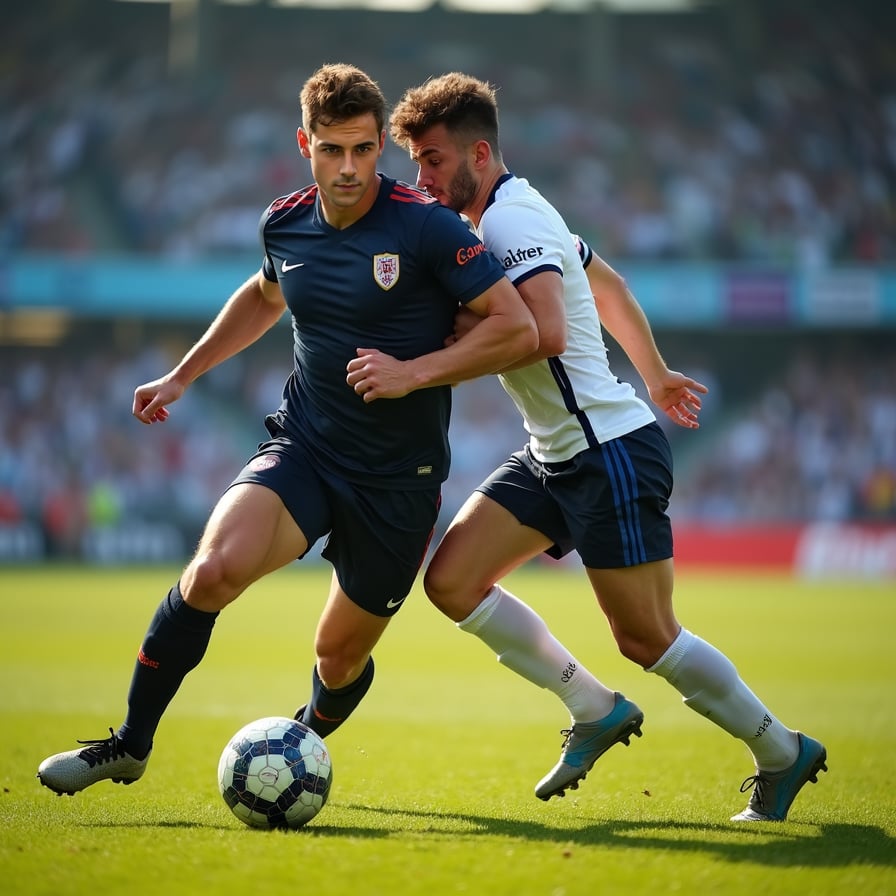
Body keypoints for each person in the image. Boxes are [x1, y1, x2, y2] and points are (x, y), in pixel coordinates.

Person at [36, 63, 537, 797]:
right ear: (304, 143)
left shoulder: (423, 226)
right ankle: (130, 745)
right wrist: (183, 374)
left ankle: (293, 747)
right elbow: (266, 294)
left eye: (364, 150)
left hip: (398, 483)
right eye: (333, 150)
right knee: (210, 572)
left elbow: (518, 327)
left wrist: (413, 372)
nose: (349, 168)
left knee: (337, 660)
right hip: (307, 447)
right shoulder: (285, 221)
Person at [389, 72, 827, 822]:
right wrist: (653, 373)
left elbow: (549, 332)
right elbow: (611, 284)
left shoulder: (511, 222)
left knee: (647, 637)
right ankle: (593, 709)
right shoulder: (512, 212)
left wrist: (432, 360)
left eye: (431, 160)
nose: (418, 179)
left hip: (607, 451)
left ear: (480, 154)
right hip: (556, 450)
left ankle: (784, 752)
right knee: (452, 581)